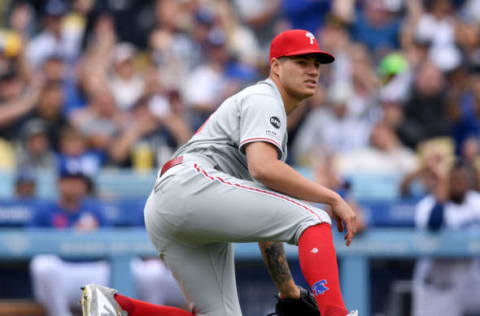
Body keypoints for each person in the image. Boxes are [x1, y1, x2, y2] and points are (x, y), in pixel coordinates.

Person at [81, 29, 358, 316]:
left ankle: (118, 308)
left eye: (316, 64)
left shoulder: (268, 115)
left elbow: (267, 224)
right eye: (302, 62)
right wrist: (331, 197)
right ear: (275, 66)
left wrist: (287, 290)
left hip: (174, 203)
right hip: (191, 185)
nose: (312, 71)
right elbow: (262, 168)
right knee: (315, 220)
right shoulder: (265, 97)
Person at [30, 166, 186, 316]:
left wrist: (91, 236)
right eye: (69, 181)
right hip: (62, 271)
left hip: (93, 269)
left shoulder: (95, 210)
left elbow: (110, 243)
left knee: (131, 267)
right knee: (43, 265)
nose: (74, 186)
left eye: (78, 181)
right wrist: (71, 235)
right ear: (58, 183)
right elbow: (32, 244)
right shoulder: (44, 211)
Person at [412, 158, 480, 316]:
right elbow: (434, 225)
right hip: (438, 284)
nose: (459, 183)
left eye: (462, 179)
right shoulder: (427, 205)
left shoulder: (476, 201)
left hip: (472, 282)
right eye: (454, 179)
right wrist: (442, 189)